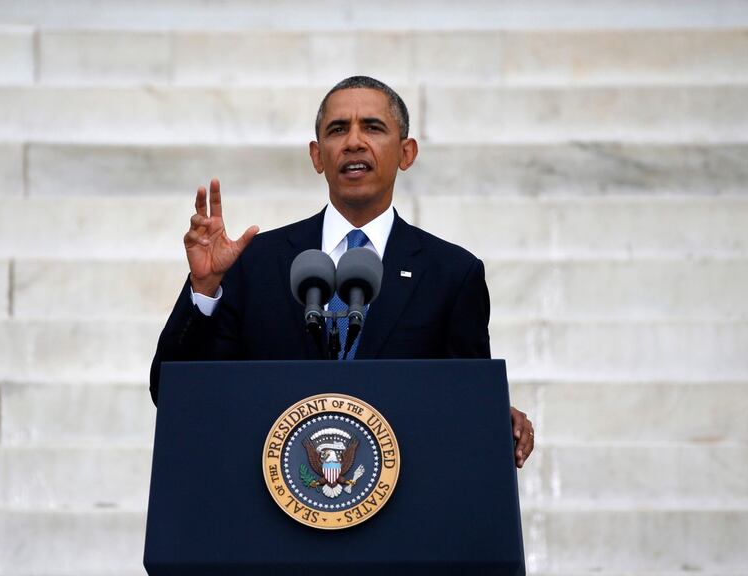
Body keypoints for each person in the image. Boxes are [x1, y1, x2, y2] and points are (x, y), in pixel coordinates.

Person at [150, 76, 535, 468]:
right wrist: (204, 288)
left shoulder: (451, 274)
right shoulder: (254, 263)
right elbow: (173, 392)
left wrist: (493, 417)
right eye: (338, 130)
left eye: (372, 127)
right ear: (318, 156)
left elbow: (463, 402)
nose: (353, 141)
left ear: (407, 152)